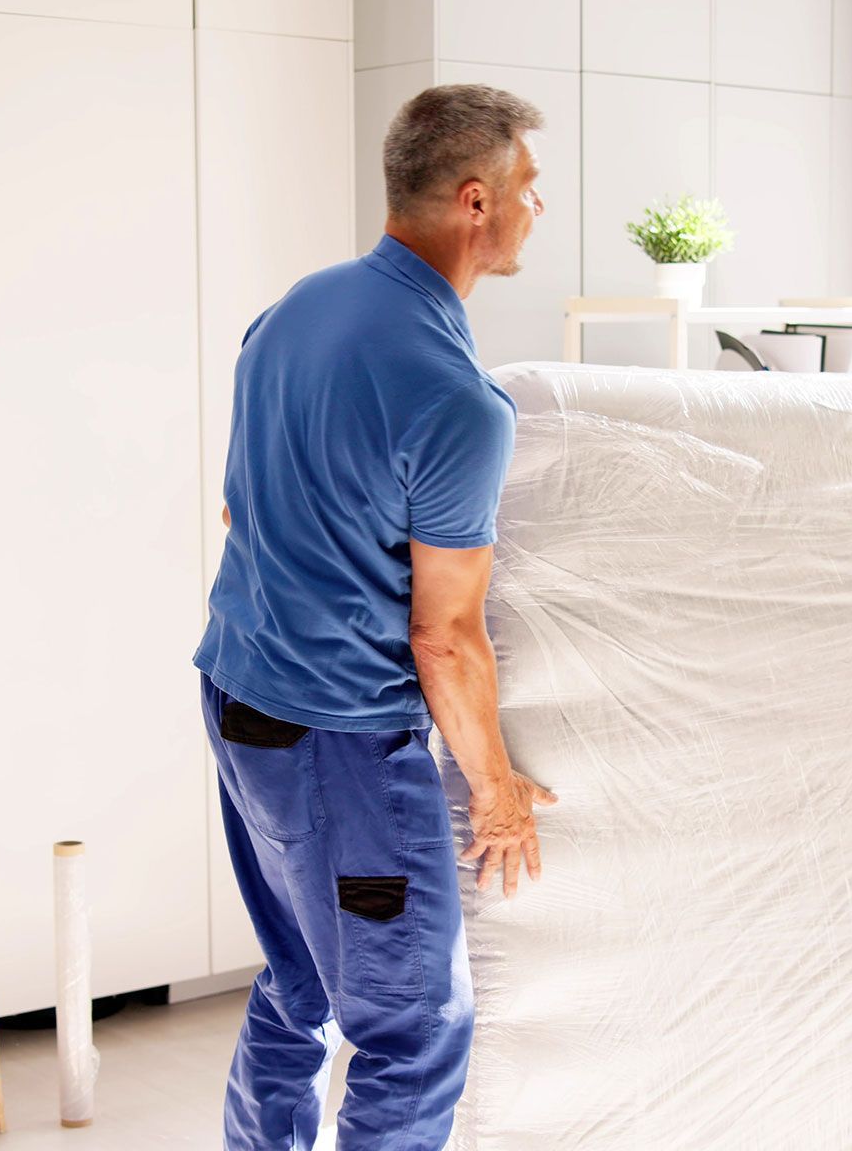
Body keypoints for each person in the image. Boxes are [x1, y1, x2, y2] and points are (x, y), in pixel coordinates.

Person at [193, 84, 557, 1150]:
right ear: (478, 200)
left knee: (300, 978)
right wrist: (496, 792)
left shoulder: (294, 312)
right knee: (412, 1031)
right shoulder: (457, 400)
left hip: (236, 696)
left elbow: (237, 503)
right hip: (338, 741)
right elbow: (444, 635)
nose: (542, 208)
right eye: (532, 188)